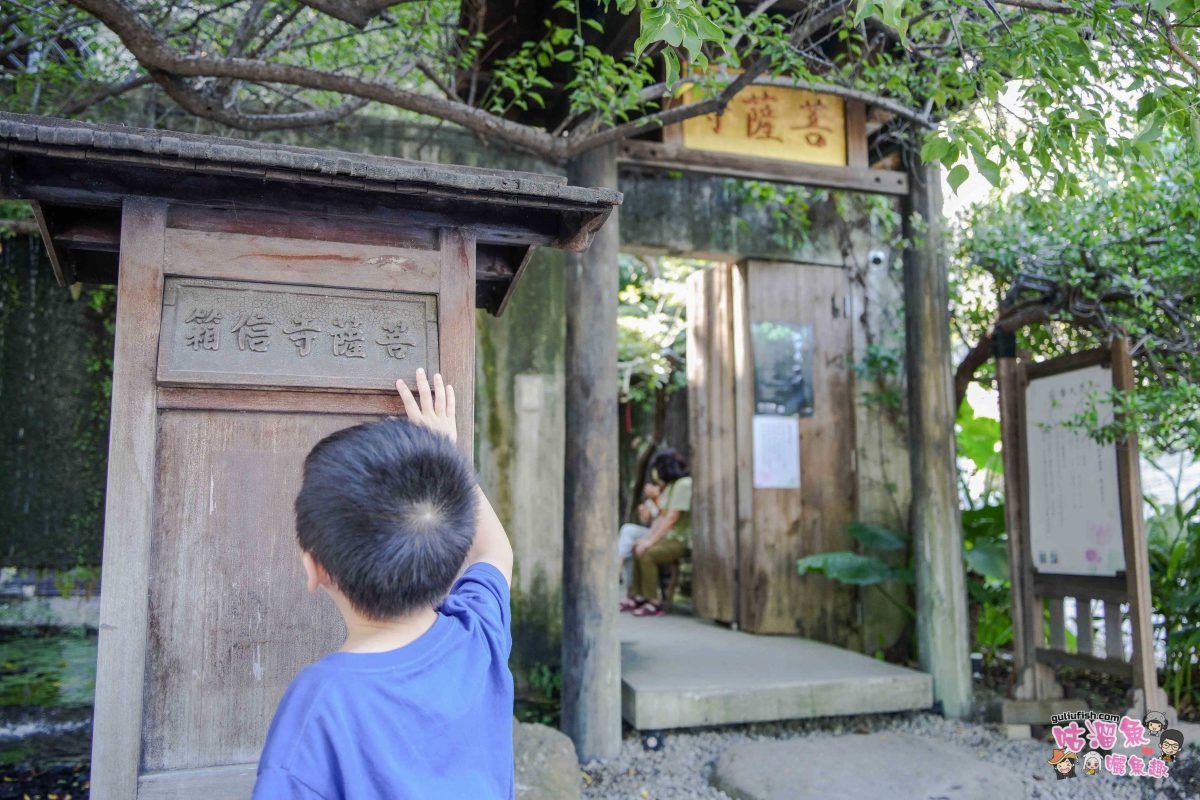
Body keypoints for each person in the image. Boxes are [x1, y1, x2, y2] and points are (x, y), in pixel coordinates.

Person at [252, 369, 514, 799]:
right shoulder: (476, 635)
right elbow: (495, 553)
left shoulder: (319, 704)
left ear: (315, 567)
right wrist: (445, 452)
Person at [623, 449, 692, 617]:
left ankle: (654, 602)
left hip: (681, 540)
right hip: (668, 537)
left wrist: (649, 542)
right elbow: (661, 517)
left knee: (647, 554)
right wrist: (645, 540)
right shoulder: (672, 486)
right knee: (638, 548)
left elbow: (671, 518)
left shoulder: (684, 484)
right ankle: (640, 596)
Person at [617, 482, 662, 589]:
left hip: (663, 534)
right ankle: (630, 588)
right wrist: (644, 514)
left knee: (628, 532)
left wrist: (656, 500)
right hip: (652, 532)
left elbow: (666, 519)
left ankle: (618, 567)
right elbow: (649, 522)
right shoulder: (650, 500)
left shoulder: (670, 492)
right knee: (629, 543)